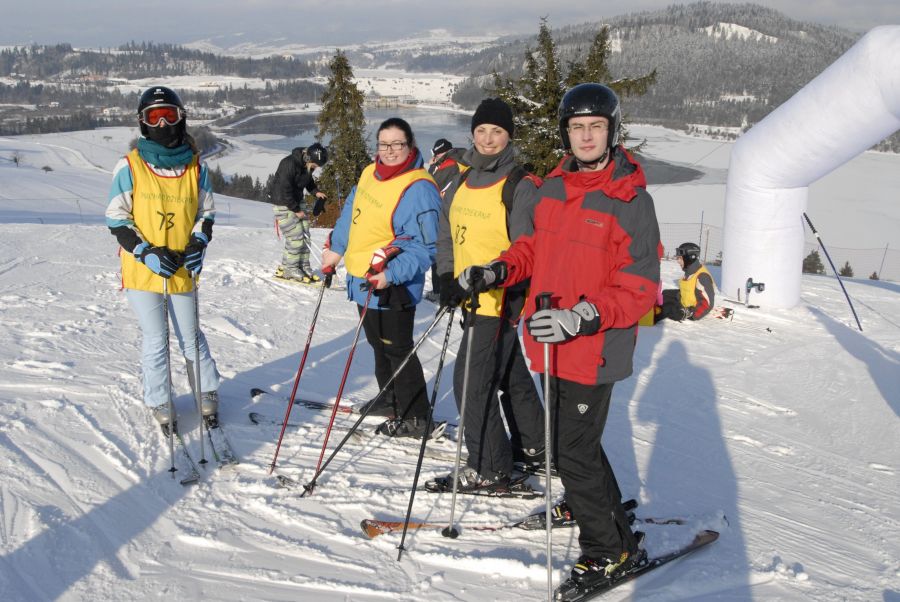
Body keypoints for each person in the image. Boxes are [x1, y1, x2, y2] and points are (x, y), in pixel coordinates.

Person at [459, 83, 661, 595]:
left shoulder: (630, 199)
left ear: (612, 132)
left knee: (570, 449)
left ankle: (607, 551)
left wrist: (583, 317)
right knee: (576, 446)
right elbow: (529, 248)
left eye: (596, 126)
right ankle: (605, 513)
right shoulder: (552, 188)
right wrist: (498, 270)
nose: (586, 136)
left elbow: (640, 287)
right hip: (546, 341)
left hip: (592, 348)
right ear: (565, 134)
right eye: (577, 127)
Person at [425, 97, 546, 493]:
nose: (489, 139)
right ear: (472, 134)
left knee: (469, 383)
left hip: (499, 298)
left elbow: (527, 247)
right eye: (482, 131)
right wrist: (445, 276)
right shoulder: (460, 180)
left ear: (509, 136)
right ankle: (536, 447)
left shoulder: (520, 185)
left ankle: (490, 467)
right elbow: (447, 233)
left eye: (497, 132)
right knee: (509, 372)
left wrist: (493, 274)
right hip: (466, 294)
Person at [105, 85, 221, 433]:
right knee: (156, 338)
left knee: (190, 334)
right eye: (154, 117)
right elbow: (116, 218)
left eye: (169, 115)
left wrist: (200, 240)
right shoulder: (129, 167)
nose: (163, 123)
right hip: (144, 269)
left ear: (181, 118)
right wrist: (144, 251)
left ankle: (207, 391)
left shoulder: (196, 167)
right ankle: (159, 398)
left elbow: (206, 213)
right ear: (143, 123)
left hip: (182, 264)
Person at [321, 117, 441, 439]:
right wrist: (336, 248)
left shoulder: (419, 188)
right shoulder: (368, 173)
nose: (389, 151)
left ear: (410, 145)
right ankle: (390, 398)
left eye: (397, 144)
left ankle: (416, 416)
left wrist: (391, 274)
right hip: (362, 280)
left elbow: (425, 247)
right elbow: (351, 212)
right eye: (383, 144)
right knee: (376, 343)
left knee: (397, 348)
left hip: (392, 284)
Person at [271, 143, 328, 283]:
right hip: (284, 203)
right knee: (295, 238)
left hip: (296, 201)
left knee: (305, 236)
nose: (315, 168)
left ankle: (302, 265)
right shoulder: (288, 164)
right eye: (315, 165)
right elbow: (285, 191)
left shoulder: (307, 165)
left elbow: (308, 182)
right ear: (309, 158)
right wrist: (296, 210)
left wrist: (316, 192)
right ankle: (290, 269)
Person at [423, 137, 467, 303]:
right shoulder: (458, 161)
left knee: (440, 251)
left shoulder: (449, 165)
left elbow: (430, 184)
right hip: (455, 212)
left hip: (445, 213)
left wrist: (433, 165)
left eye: (436, 153)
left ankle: (439, 291)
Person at [654, 242, 716, 322]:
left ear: (689, 258)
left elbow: (708, 303)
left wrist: (691, 314)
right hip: (684, 301)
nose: (678, 261)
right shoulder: (690, 271)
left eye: (680, 258)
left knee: (668, 308)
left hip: (689, 309)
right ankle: (652, 305)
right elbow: (689, 290)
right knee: (665, 293)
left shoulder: (702, 276)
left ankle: (651, 317)